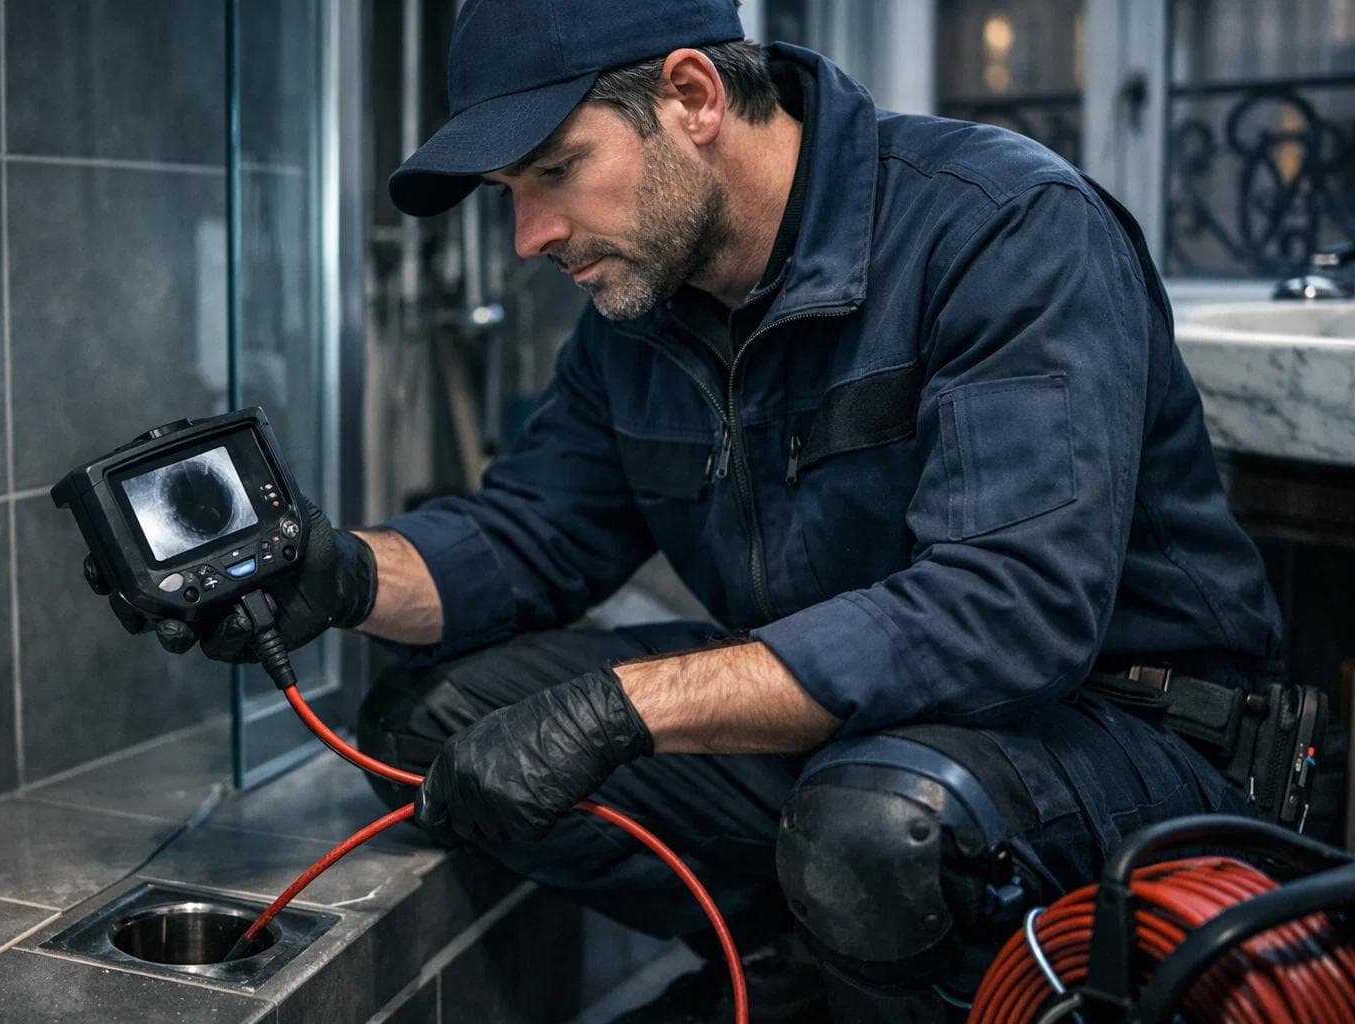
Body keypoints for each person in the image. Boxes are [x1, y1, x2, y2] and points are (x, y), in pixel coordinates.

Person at [116, 1, 1289, 1020]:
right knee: (430, 722)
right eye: (508, 195)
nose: (529, 237)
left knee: (879, 822)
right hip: (857, 729)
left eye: (554, 171)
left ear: (690, 96)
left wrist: (626, 707)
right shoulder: (644, 321)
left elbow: (1010, 611)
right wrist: (339, 572)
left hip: (1114, 730)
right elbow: (533, 534)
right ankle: (798, 964)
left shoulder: (1003, 227)